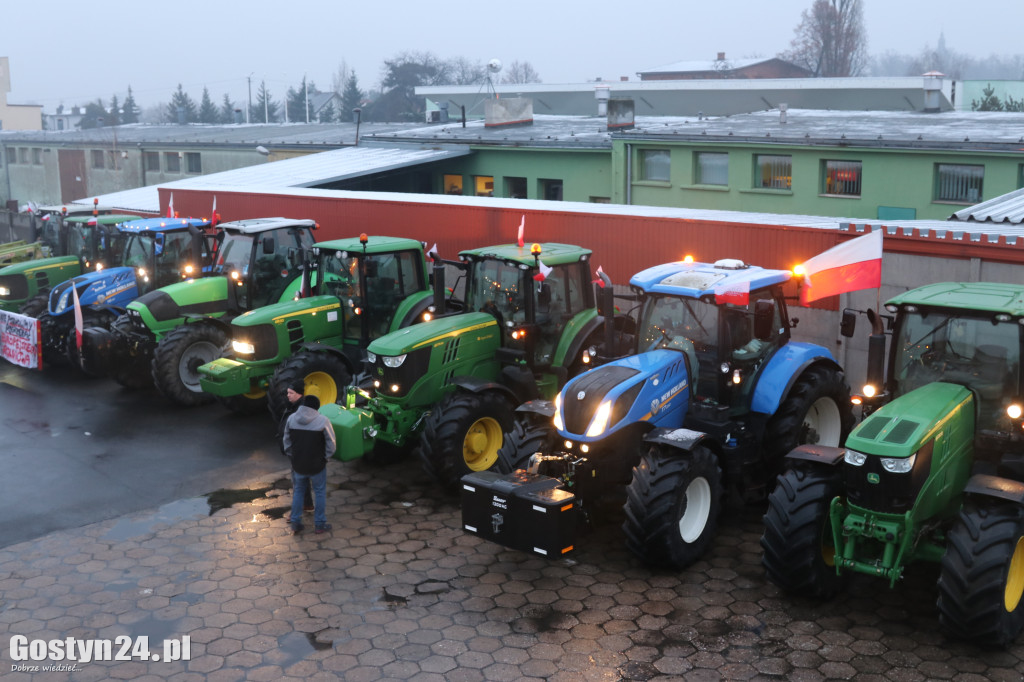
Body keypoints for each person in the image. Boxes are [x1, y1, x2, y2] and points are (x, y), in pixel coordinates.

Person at [283, 393, 336, 535]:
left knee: (298, 492)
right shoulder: (323, 421)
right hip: (317, 465)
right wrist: (325, 458)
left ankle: (295, 523)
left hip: (298, 465)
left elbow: (286, 442)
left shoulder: (291, 419)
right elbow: (331, 445)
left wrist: (293, 457)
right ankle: (319, 524)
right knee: (319, 492)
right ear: (316, 407)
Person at [278, 381, 314, 512]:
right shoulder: (293, 406)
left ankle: (296, 513)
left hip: (298, 452)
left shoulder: (302, 411)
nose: (288, 395)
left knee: (298, 483)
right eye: (287, 392)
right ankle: (307, 505)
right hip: (294, 451)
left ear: (299, 394)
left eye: (291, 393)